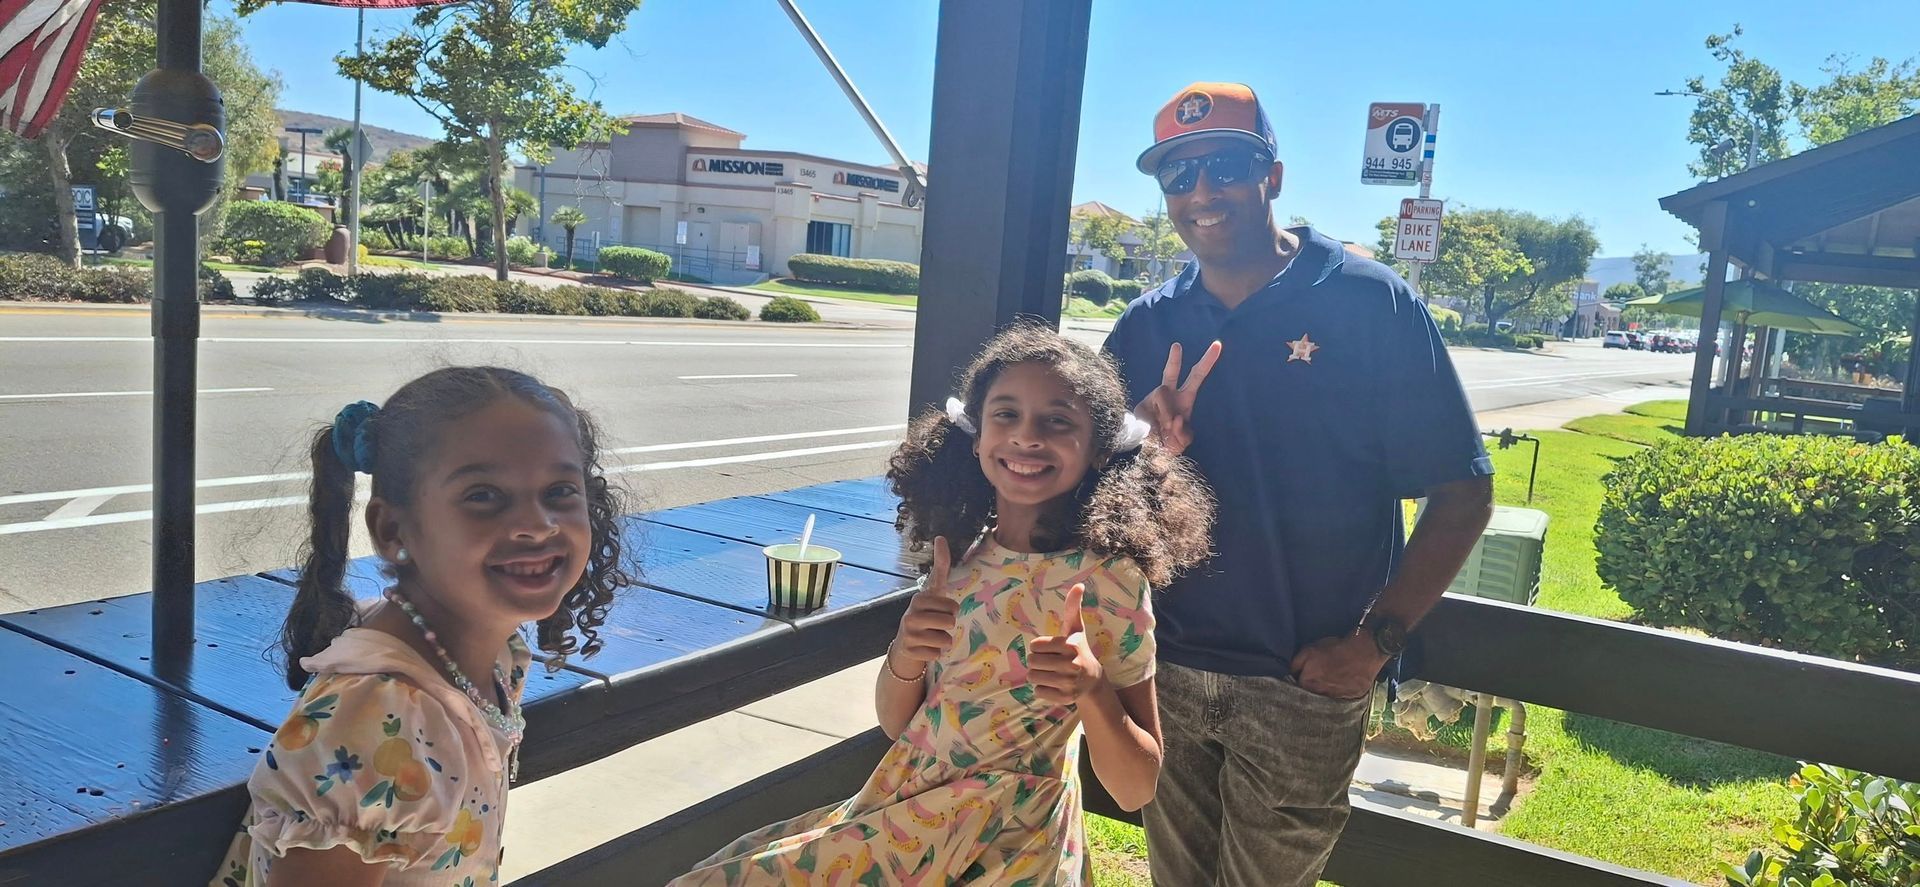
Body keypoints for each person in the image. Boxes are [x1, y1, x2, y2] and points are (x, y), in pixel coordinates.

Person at [1105, 82, 1496, 885]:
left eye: (1225, 165)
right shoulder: (1147, 324)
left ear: (1272, 176)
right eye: (1178, 174)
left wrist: (1374, 644)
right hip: (1166, 670)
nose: (1201, 192)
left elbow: (1463, 491)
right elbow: (1086, 488)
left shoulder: (1370, 301)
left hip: (1302, 686)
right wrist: (1140, 450)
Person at [670, 325, 1214, 886]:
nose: (1026, 436)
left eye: (1057, 421)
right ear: (975, 436)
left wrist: (1093, 688)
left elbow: (1135, 787)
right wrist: (905, 654)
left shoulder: (1108, 579)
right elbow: (898, 725)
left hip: (1010, 845)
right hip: (907, 812)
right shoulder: (959, 555)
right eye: (1006, 414)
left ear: (1100, 448)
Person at [209, 366, 634, 887]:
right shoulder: (380, 715)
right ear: (393, 530)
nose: (537, 524)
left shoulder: (495, 656)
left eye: (560, 490)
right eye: (483, 495)